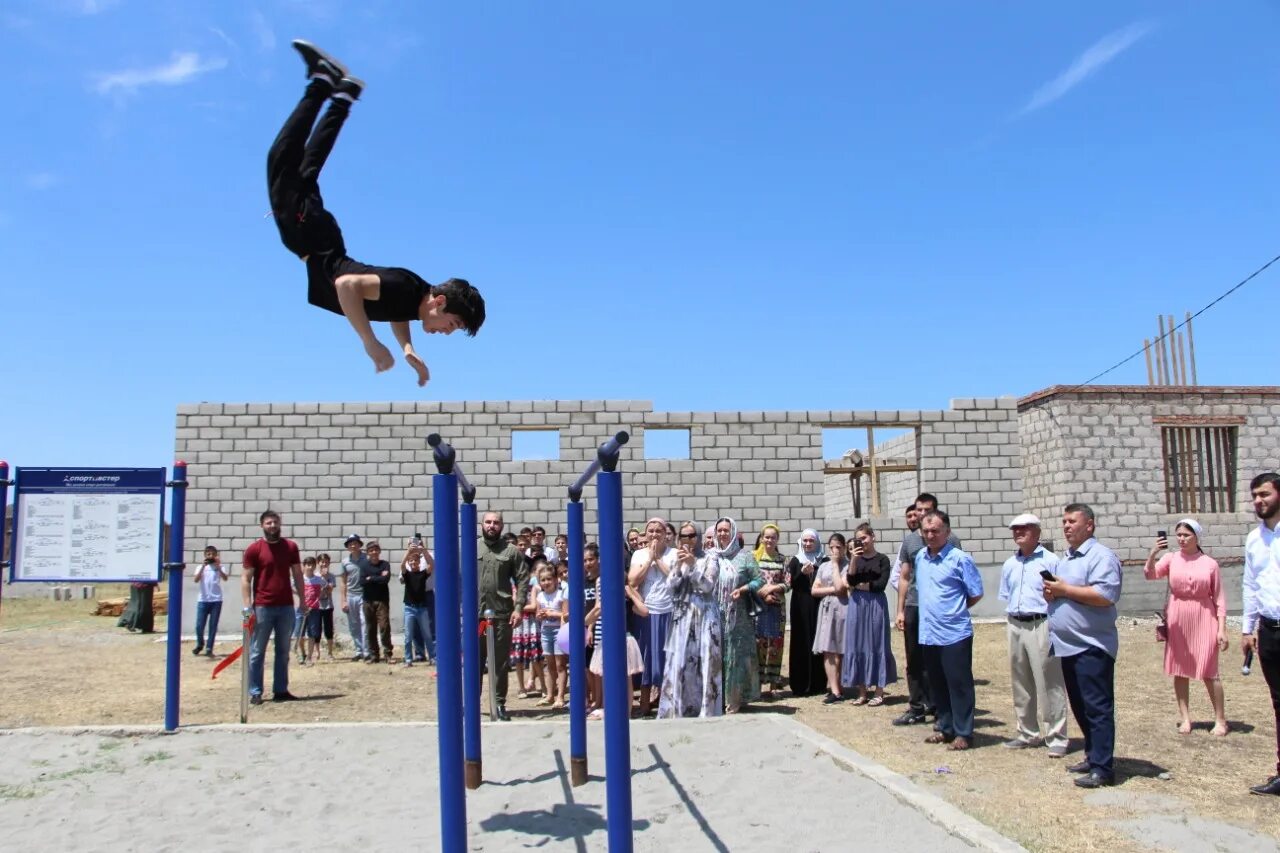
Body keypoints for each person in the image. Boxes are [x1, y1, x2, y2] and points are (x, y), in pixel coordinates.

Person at [266, 40, 484, 386]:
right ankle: (324, 81)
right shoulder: (402, 287)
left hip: (320, 238)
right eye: (452, 324)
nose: (446, 333)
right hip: (310, 236)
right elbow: (347, 285)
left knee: (307, 168)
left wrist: (407, 348)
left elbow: (398, 312)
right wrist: (370, 342)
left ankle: (343, 94)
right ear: (439, 302)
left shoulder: (413, 296)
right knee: (283, 157)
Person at [1044, 503, 1122, 789]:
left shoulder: (1101, 557)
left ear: (1089, 525)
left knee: (1097, 707)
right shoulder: (1065, 559)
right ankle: (1092, 755)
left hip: (1092, 645)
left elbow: (1105, 595)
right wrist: (1053, 594)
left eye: (1072, 521)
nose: (1066, 526)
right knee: (1080, 705)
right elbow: (1065, 591)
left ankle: (1103, 768)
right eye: (1063, 521)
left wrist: (1065, 590)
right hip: (1067, 645)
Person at [903, 510, 983, 751]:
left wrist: (953, 610)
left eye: (935, 531)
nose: (930, 535)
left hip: (954, 633)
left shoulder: (959, 559)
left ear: (947, 532)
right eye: (926, 531)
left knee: (958, 684)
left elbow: (976, 593)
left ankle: (964, 732)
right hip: (929, 633)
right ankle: (945, 727)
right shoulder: (921, 559)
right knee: (937, 684)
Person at [1144, 518, 1228, 736]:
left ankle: (1220, 719)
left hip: (1204, 616)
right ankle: (1185, 718)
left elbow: (1219, 598)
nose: (1181, 539)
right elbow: (1151, 574)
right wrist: (1154, 553)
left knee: (1210, 670)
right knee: (1180, 670)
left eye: (1186, 535)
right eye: (1179, 535)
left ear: (1197, 537)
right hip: (1178, 617)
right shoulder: (1171, 559)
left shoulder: (1210, 563)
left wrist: (1221, 628)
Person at [997, 514, 1069, 757]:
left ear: (1037, 532)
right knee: (1020, 679)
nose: (1018, 533)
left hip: (1041, 622)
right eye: (1015, 529)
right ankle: (1027, 731)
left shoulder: (1051, 561)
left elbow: (1060, 594)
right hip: (1015, 622)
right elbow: (1007, 594)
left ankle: (1056, 735)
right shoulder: (1010, 564)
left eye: (1024, 529)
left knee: (1048, 680)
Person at [893, 494, 960, 727]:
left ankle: (940, 707)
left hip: (940, 609)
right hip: (914, 606)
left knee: (938, 660)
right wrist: (900, 610)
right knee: (914, 659)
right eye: (918, 509)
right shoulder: (910, 541)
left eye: (926, 510)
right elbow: (904, 577)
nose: (921, 514)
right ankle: (916, 707)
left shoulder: (951, 540)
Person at [659, 522, 723, 718]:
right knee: (679, 662)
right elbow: (670, 586)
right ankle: (679, 709)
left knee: (706, 662)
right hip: (682, 616)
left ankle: (707, 710)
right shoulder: (675, 558)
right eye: (683, 536)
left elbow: (707, 586)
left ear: (699, 537)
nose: (687, 540)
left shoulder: (710, 557)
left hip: (704, 616)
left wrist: (693, 564)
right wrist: (679, 566)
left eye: (692, 535)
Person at [242, 510, 305, 705]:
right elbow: (246, 578)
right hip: (262, 608)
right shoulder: (254, 549)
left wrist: (302, 600)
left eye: (275, 522)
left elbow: (297, 574)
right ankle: (255, 691)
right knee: (256, 651)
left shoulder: (290, 547)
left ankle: (280, 690)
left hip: (286, 606)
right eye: (269, 523)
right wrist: (247, 607)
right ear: (262, 525)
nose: (272, 526)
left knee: (283, 651)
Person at [1242, 472, 1280, 796]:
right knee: (1279, 703)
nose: (1258, 501)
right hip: (1269, 631)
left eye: (1264, 494)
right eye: (1255, 495)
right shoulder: (1255, 540)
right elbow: (1251, 586)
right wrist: (1247, 627)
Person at [707, 517, 764, 713]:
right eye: (719, 530)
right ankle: (718, 697)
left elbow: (760, 580)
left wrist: (745, 588)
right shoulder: (712, 556)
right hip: (715, 615)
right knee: (718, 655)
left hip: (739, 618)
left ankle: (736, 698)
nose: (722, 534)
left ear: (733, 533)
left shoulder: (745, 557)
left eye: (726, 530)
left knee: (736, 657)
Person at [841, 523, 897, 706]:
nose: (862, 542)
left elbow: (880, 584)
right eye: (858, 539)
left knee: (877, 642)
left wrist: (862, 585)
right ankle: (862, 691)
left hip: (876, 604)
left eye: (864, 538)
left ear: (873, 537)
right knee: (857, 643)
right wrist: (854, 560)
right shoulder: (856, 559)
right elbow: (850, 581)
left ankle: (879, 691)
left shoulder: (882, 559)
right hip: (857, 604)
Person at [478, 511, 526, 721]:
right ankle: (471, 704)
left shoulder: (511, 551)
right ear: (481, 524)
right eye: (488, 522)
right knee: (474, 662)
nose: (491, 525)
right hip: (476, 618)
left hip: (501, 616)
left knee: (500, 663)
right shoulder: (471, 548)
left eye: (496, 523)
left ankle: (499, 704)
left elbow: (522, 580)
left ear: (502, 526)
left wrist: (518, 608)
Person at [628, 517, 677, 717]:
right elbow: (632, 580)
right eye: (651, 531)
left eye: (659, 531)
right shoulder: (639, 554)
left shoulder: (673, 553)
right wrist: (650, 559)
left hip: (669, 609)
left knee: (667, 656)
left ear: (666, 534)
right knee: (647, 656)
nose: (655, 534)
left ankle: (668, 702)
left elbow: (675, 578)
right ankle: (645, 703)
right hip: (647, 610)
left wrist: (658, 558)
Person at [786, 529, 827, 698]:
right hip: (800, 605)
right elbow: (790, 584)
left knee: (818, 641)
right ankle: (800, 684)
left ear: (817, 542)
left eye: (811, 541)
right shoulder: (796, 561)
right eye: (805, 541)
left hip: (819, 604)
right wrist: (801, 573)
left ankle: (818, 683)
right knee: (801, 641)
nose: (808, 544)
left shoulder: (823, 560)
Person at [812, 533, 851, 705]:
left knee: (841, 649)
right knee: (828, 648)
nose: (835, 550)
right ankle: (834, 689)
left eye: (838, 547)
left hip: (843, 608)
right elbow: (814, 590)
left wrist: (835, 565)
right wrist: (832, 589)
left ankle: (841, 684)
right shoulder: (823, 567)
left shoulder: (849, 566)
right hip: (827, 609)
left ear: (844, 548)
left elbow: (842, 588)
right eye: (832, 547)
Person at [753, 523, 789, 697]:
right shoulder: (754, 558)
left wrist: (772, 588)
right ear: (761, 538)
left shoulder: (783, 560)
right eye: (766, 537)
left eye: (772, 537)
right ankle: (758, 686)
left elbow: (788, 583)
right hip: (758, 607)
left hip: (777, 608)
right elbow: (750, 580)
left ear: (777, 539)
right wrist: (763, 592)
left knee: (776, 644)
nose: (769, 540)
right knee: (759, 644)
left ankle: (774, 686)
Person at [534, 562, 568, 709]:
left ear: (555, 580)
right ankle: (549, 695)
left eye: (549, 579)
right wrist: (541, 615)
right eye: (543, 580)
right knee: (549, 665)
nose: (546, 582)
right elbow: (537, 614)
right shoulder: (540, 596)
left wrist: (552, 614)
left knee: (560, 665)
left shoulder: (561, 594)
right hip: (545, 631)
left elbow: (565, 615)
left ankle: (560, 696)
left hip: (558, 631)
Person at [401, 538, 436, 666]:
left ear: (419, 562)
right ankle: (409, 659)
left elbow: (431, 565)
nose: (413, 563)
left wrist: (423, 550)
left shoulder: (422, 573)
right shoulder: (407, 574)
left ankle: (433, 657)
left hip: (422, 607)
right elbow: (401, 566)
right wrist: (408, 552)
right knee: (408, 635)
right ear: (409, 563)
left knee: (427, 634)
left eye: (416, 561)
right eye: (411, 561)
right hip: (409, 608)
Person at [359, 541, 394, 663]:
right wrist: (377, 577)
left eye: (376, 550)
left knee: (384, 627)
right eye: (371, 550)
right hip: (368, 601)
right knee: (370, 628)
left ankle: (388, 654)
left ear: (379, 551)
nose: (374, 552)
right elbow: (362, 582)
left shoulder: (385, 564)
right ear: (368, 553)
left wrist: (371, 578)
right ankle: (374, 655)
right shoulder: (364, 566)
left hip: (382, 600)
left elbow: (385, 579)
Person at [192, 544, 228, 657]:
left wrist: (218, 566)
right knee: (199, 625)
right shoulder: (200, 567)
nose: (211, 556)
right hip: (203, 600)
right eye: (208, 554)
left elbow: (225, 578)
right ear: (205, 555)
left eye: (213, 554)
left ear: (216, 555)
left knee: (213, 625)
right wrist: (203, 566)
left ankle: (209, 648)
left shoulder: (220, 567)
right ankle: (200, 644)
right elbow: (196, 580)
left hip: (216, 600)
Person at [339, 533, 368, 661]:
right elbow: (343, 582)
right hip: (351, 596)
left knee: (365, 623)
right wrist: (343, 600)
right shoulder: (345, 562)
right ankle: (358, 650)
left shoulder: (366, 559)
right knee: (354, 624)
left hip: (364, 595)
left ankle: (367, 651)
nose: (353, 545)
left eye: (355, 543)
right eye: (350, 543)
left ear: (359, 544)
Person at [300, 557, 325, 664]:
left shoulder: (318, 579)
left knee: (312, 633)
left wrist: (320, 596)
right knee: (299, 634)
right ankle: (302, 653)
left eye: (312, 564)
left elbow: (326, 587)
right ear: (304, 566)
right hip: (301, 610)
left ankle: (309, 657)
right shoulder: (300, 579)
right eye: (308, 564)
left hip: (314, 610)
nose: (310, 567)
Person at [316, 553, 337, 660]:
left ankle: (330, 652)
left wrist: (325, 579)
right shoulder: (315, 576)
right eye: (322, 562)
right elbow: (315, 592)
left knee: (328, 629)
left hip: (328, 606)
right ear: (318, 563)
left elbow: (329, 590)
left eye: (326, 562)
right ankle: (317, 652)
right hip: (317, 606)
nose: (324, 564)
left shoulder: (331, 576)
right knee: (317, 629)